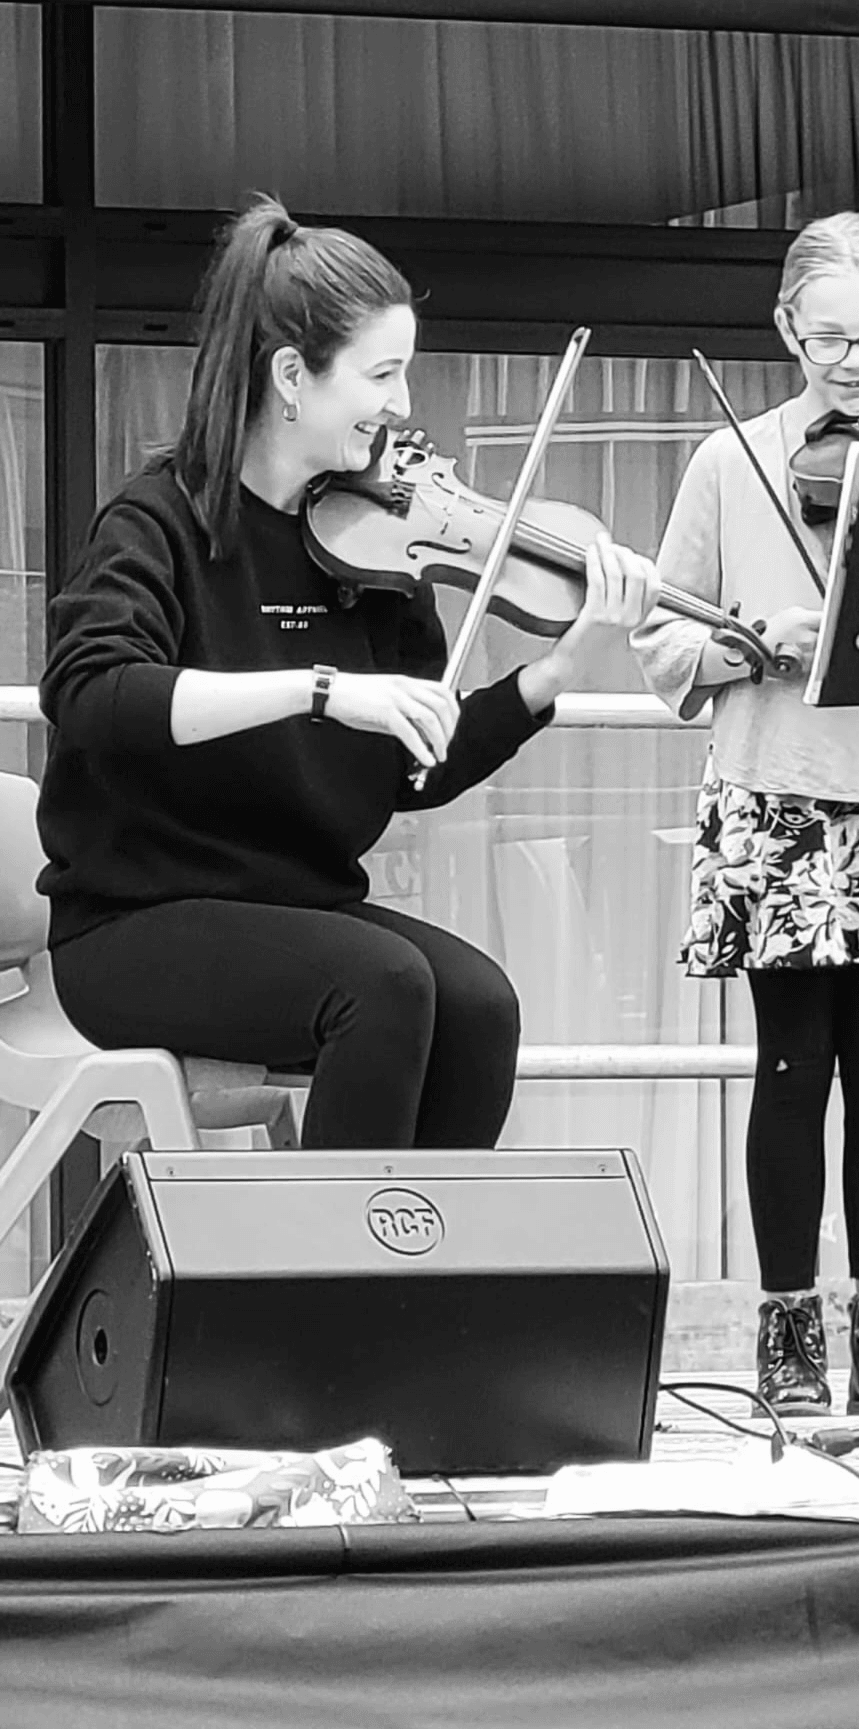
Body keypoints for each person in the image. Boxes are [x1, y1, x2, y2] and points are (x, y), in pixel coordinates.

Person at [38, 196, 659, 1152]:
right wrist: (318, 688)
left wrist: (556, 671)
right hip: (133, 921)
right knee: (385, 984)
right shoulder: (156, 522)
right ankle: (327, 1287)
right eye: (382, 374)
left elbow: (416, 769)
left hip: (296, 910)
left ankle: (423, 1276)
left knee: (481, 1003)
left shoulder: (378, 549)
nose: (403, 406)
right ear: (293, 375)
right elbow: (91, 693)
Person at [633, 211, 859, 1418]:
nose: (856, 359)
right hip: (778, 785)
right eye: (829, 337)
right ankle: (784, 1330)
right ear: (786, 329)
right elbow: (661, 629)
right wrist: (749, 642)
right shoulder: (728, 463)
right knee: (791, 1064)